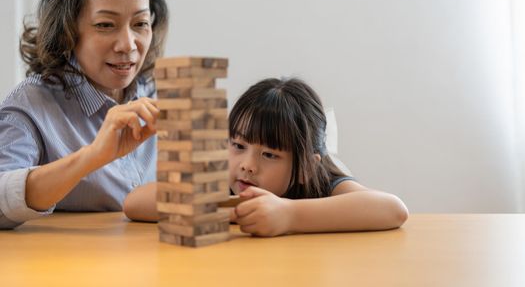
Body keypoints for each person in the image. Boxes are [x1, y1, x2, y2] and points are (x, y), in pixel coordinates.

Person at [0, 0, 168, 229]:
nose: (128, 45)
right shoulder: (29, 106)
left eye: (140, 23)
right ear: (66, 30)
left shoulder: (163, 97)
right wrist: (92, 156)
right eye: (105, 25)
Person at [123, 78, 408, 236]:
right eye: (238, 145)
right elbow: (136, 203)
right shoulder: (227, 178)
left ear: (306, 167)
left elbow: (393, 209)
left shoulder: (323, 183)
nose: (247, 164)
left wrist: (289, 215)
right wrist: (230, 211)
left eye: (269, 154)